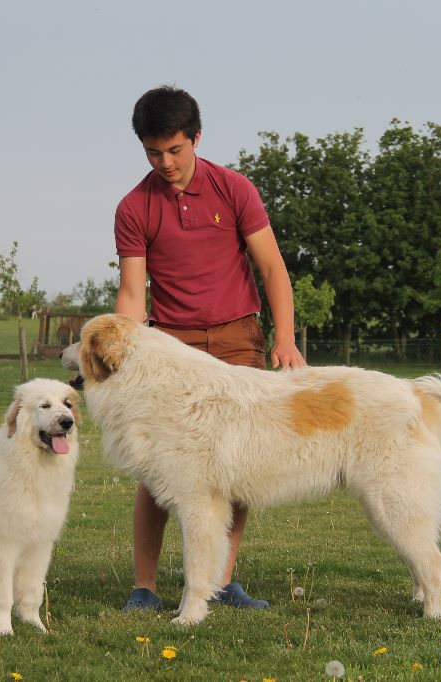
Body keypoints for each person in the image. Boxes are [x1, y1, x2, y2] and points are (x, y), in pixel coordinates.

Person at [113, 85, 307, 612]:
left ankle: (219, 582)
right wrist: (121, 353)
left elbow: (273, 268)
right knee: (155, 468)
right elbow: (132, 293)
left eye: (174, 150)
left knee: (234, 465)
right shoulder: (133, 207)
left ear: (196, 138)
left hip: (236, 338)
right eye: (153, 153)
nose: (165, 163)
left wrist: (284, 339)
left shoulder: (235, 189)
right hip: (170, 346)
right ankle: (145, 587)